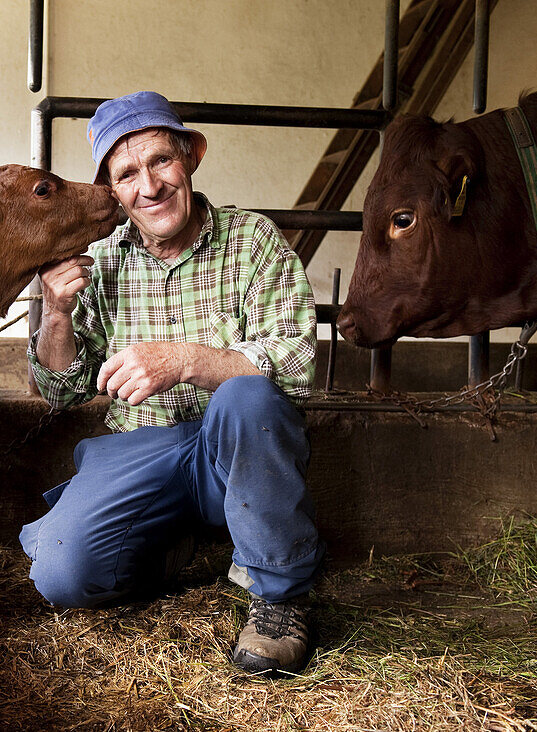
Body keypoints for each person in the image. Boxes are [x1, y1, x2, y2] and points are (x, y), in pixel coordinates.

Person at [19, 91, 325, 674]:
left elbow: (297, 362)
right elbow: (61, 390)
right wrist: (54, 313)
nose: (150, 186)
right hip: (139, 451)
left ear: (194, 154)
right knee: (61, 573)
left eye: (162, 160)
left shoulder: (252, 241)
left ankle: (280, 599)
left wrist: (188, 361)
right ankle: (165, 548)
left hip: (231, 449)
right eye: (127, 174)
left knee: (247, 393)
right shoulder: (100, 261)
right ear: (112, 191)